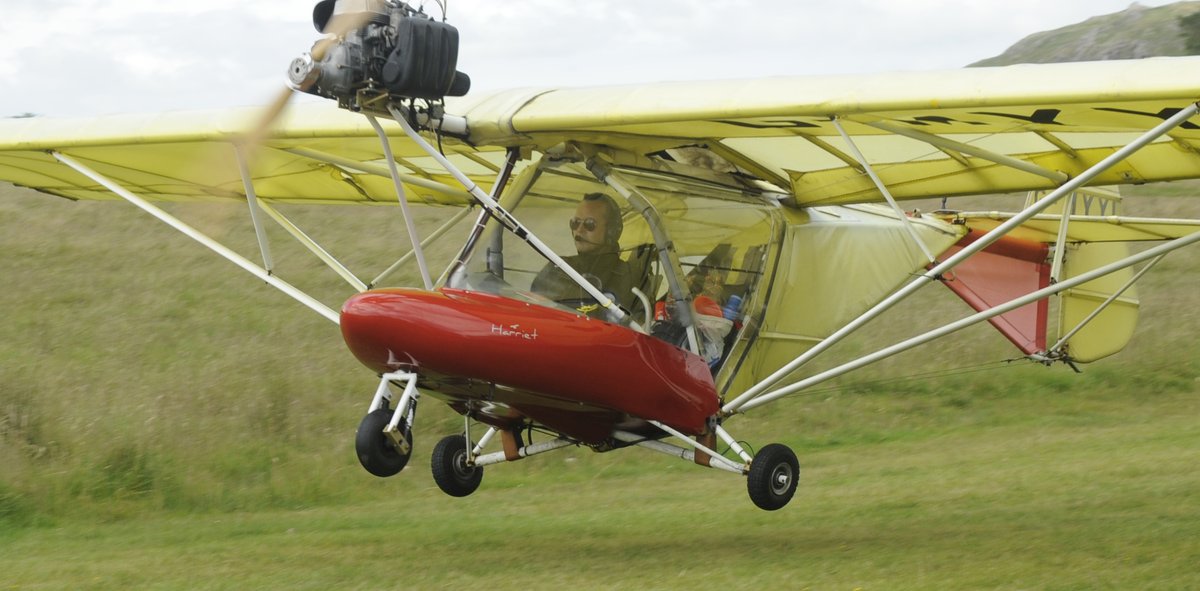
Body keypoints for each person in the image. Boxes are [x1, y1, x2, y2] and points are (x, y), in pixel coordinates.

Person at [531, 193, 635, 312]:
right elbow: (533, 310)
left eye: (589, 224)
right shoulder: (558, 269)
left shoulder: (628, 277)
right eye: (575, 223)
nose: (579, 230)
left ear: (611, 231)